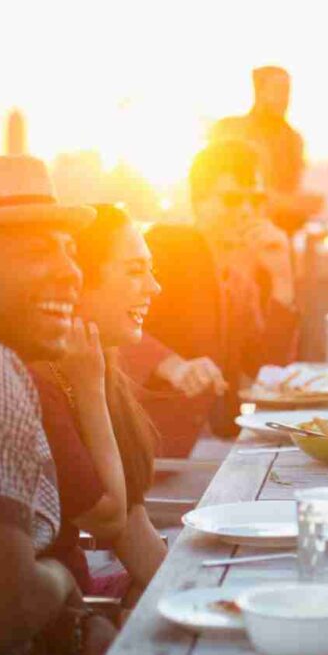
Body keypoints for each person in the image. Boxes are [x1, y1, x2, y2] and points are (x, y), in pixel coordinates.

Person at [0, 155, 115, 655]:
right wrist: (61, 578)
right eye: (36, 253)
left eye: (70, 252)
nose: (71, 273)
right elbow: (2, 612)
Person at [121, 140, 299, 452]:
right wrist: (173, 365)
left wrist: (282, 279)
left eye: (255, 200)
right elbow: (106, 322)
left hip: (217, 441)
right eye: (231, 199)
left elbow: (268, 370)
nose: (245, 211)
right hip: (162, 450)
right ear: (198, 202)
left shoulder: (241, 275)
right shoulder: (165, 246)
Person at [32, 204, 168, 605]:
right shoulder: (39, 379)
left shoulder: (96, 362)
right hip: (58, 615)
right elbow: (108, 518)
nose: (154, 287)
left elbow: (132, 527)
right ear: (79, 283)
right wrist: (90, 391)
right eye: (134, 270)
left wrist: (196, 599)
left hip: (83, 592)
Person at [210, 65, 322, 235]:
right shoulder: (231, 130)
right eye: (278, 90)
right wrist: (290, 202)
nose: (285, 98)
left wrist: (298, 203)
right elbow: (225, 191)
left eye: (288, 91)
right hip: (238, 236)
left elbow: (292, 189)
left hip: (280, 237)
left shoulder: (293, 139)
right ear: (259, 92)